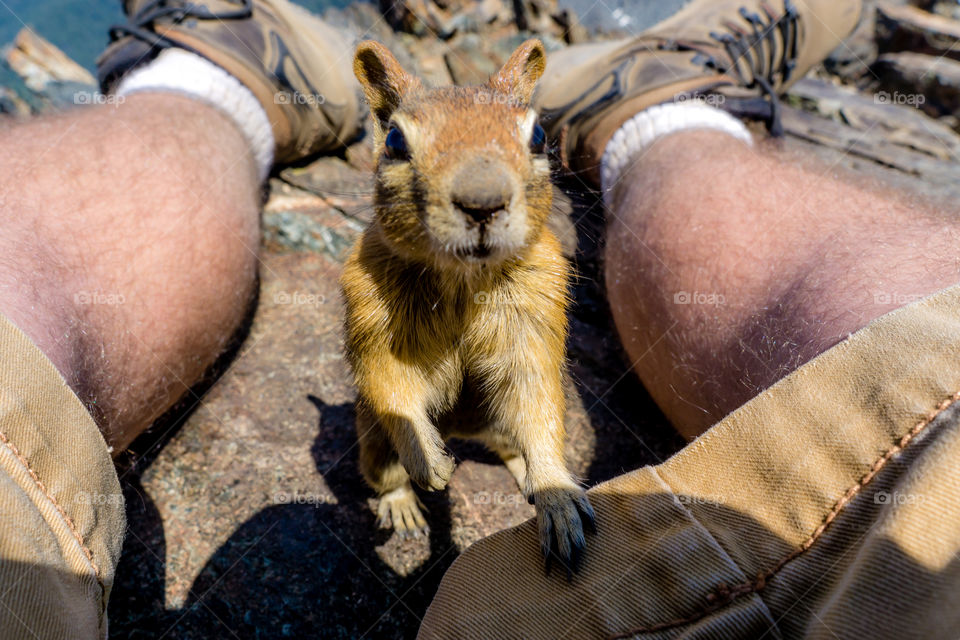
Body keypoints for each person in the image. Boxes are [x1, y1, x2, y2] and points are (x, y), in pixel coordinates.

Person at [0, 0, 957, 638]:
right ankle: (668, 115)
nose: (485, 196)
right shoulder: (372, 268)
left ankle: (198, 86)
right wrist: (405, 439)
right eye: (410, 155)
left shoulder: (533, 263)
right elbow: (386, 374)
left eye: (520, 153)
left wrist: (545, 471)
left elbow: (532, 378)